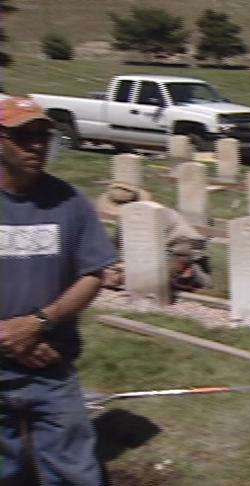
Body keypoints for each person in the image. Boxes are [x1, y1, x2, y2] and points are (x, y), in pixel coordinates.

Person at [0, 96, 117, 484]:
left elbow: (93, 274)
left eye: (43, 136)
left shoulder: (70, 202)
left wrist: (38, 324)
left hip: (49, 363)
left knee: (73, 472)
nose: (37, 145)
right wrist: (8, 337)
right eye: (24, 136)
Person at [95, 182, 212, 294]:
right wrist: (115, 265)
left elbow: (180, 248)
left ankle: (190, 277)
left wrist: (128, 268)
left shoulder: (157, 217)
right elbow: (120, 245)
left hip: (178, 252)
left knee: (144, 281)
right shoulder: (126, 219)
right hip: (147, 256)